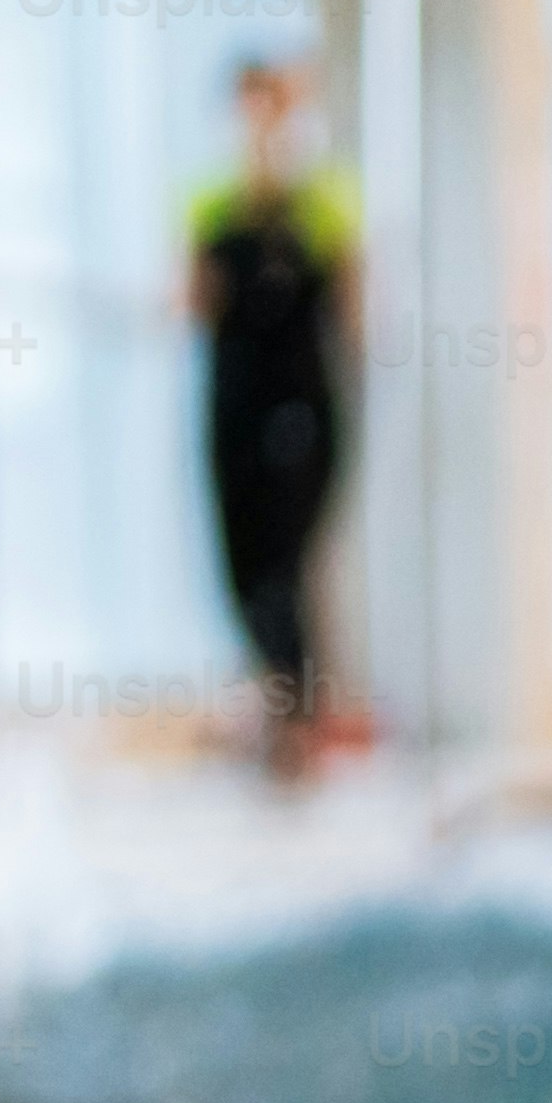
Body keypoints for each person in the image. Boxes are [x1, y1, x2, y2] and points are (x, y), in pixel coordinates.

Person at [187, 61, 358, 777]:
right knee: (242, 564)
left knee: (288, 566)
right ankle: (274, 707)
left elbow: (352, 313)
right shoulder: (209, 204)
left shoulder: (325, 200)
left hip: (302, 401)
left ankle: (298, 719)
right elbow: (193, 300)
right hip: (235, 400)